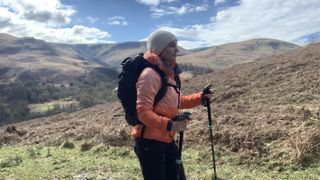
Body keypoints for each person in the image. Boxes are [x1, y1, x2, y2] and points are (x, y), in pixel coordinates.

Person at [132, 30, 212, 180]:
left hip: (166, 140)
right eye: (171, 45)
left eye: (176, 45)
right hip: (149, 143)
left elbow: (175, 102)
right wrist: (170, 125)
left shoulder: (168, 74)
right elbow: (142, 112)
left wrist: (199, 98)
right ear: (159, 48)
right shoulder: (150, 75)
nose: (177, 49)